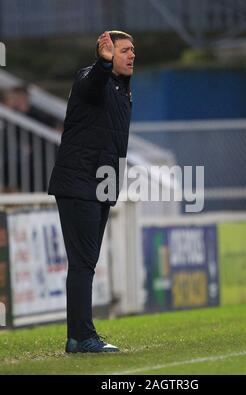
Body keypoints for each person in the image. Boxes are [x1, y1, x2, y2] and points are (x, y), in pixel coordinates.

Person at [48, 31, 135, 353]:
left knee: (85, 263)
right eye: (125, 50)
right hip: (79, 184)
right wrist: (102, 62)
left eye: (133, 51)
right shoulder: (92, 77)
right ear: (109, 53)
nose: (131, 55)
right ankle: (82, 336)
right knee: (83, 263)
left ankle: (78, 337)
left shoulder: (121, 89)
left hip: (97, 186)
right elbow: (92, 81)